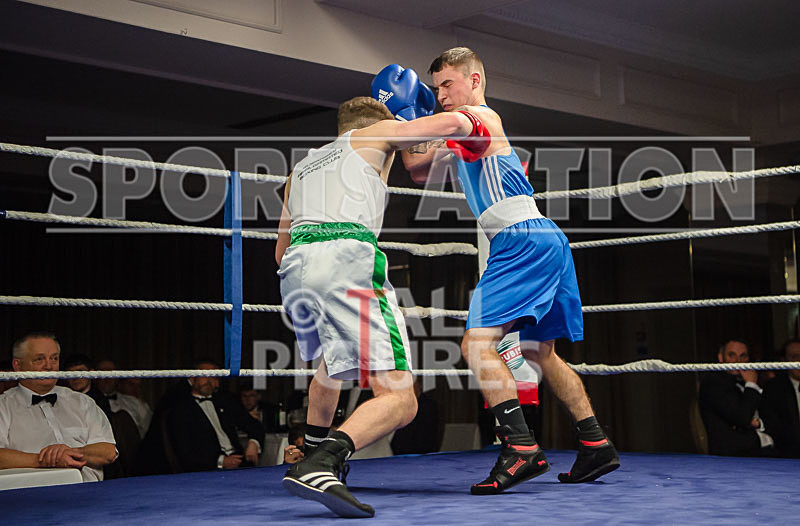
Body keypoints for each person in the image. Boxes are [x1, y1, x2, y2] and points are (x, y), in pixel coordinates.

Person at [390, 48, 619, 493]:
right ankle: (595, 443)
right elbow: (417, 168)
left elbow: (444, 126)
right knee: (539, 353)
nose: (440, 96)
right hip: (542, 239)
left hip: (521, 240)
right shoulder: (460, 138)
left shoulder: (480, 117)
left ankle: (521, 448)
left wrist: (392, 122)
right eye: (434, 89)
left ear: (474, 81)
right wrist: (406, 116)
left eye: (447, 85)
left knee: (477, 345)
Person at [276, 94, 485, 517]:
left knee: (331, 369)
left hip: (296, 270)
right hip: (346, 259)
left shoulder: (302, 167)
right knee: (402, 399)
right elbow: (440, 130)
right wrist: (473, 114)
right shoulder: (372, 134)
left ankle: (313, 455)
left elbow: (279, 251)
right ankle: (322, 463)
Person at [0, 333, 117, 482]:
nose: (49, 366)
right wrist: (45, 460)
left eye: (54, 358)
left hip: (88, 495)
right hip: (29, 499)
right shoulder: (3, 407)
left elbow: (108, 452)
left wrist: (70, 453)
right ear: (17, 365)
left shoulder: (82, 402)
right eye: (39, 359)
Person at [166, 360, 265, 473]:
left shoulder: (226, 402)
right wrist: (221, 461)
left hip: (240, 464)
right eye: (204, 376)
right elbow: (184, 451)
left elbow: (254, 425)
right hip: (206, 470)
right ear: (192, 379)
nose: (209, 381)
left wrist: (254, 443)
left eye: (214, 377)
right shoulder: (181, 409)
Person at [699, 339, 775, 456]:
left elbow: (772, 417)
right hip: (735, 455)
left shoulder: (750, 381)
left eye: (743, 356)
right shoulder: (713, 383)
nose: (737, 361)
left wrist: (759, 423)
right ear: (721, 358)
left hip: (763, 447)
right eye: (731, 355)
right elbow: (742, 418)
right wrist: (751, 384)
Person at [94, 359, 153, 439]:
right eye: (103, 373)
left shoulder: (134, 403)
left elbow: (149, 430)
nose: (107, 378)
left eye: (111, 373)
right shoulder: (86, 403)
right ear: (94, 377)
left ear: (117, 377)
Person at [761, 339, 800, 458]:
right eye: (794, 357)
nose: (798, 361)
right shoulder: (774, 388)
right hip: (788, 456)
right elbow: (773, 426)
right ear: (784, 361)